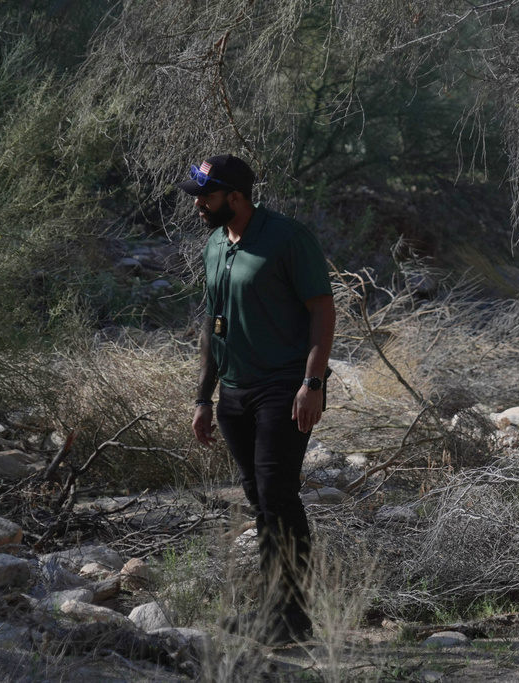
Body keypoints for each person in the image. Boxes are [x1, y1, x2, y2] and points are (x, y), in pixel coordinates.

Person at [179, 154, 335, 645]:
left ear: (237, 197)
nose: (198, 204)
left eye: (206, 195)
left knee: (277, 495)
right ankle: (275, 609)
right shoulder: (214, 245)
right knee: (259, 501)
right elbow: (211, 325)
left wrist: (313, 384)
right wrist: (203, 397)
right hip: (235, 393)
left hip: (284, 389)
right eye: (197, 195)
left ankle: (292, 618)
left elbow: (322, 311)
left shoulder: (288, 238)